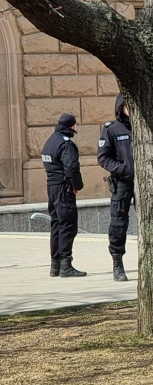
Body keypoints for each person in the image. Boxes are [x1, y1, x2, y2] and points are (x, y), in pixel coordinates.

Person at [42, 113, 87, 278]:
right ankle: (66, 266)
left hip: (52, 188)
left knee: (56, 226)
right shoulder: (66, 144)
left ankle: (55, 266)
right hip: (64, 188)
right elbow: (71, 168)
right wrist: (77, 185)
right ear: (72, 126)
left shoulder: (51, 140)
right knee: (68, 225)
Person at [98, 94, 135, 281]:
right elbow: (103, 157)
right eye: (127, 106)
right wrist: (123, 169)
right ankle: (117, 263)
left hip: (145, 182)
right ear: (121, 108)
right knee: (118, 222)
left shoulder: (143, 126)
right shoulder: (112, 129)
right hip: (122, 182)